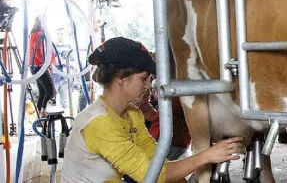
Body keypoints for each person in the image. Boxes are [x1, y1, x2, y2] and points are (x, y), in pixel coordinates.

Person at [60, 37, 243, 183]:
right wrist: (207, 156)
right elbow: (148, 175)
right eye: (144, 78)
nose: (149, 85)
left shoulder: (133, 114)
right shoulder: (99, 122)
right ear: (122, 79)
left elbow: (157, 161)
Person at [27, 18, 56, 115]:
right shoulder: (40, 35)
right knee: (51, 92)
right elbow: (41, 52)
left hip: (34, 67)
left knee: (43, 93)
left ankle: (40, 119)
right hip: (40, 67)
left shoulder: (32, 35)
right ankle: (43, 114)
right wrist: (48, 63)